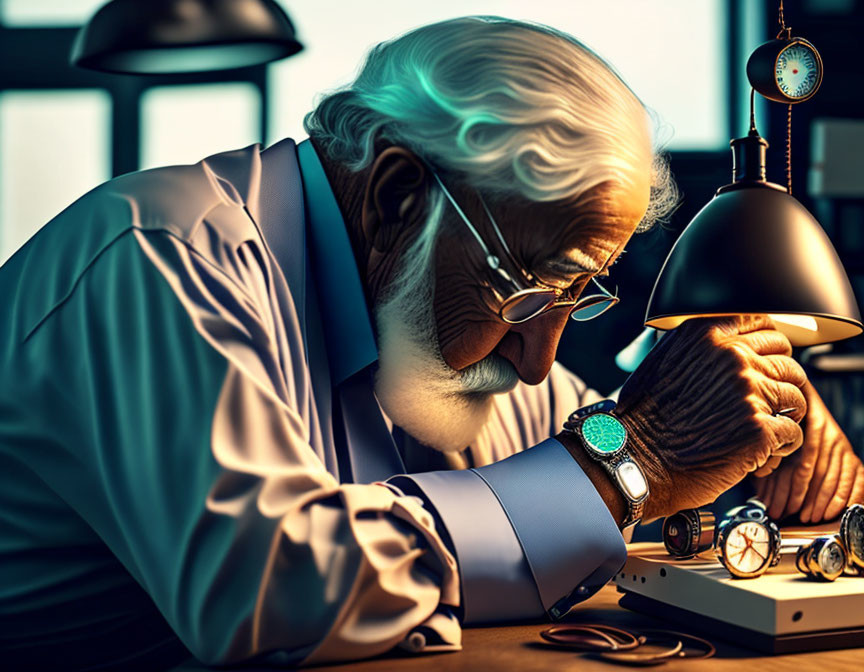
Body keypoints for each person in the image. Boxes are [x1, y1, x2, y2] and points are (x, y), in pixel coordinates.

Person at [1, 15, 861, 671]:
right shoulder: (160, 257)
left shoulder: (436, 301)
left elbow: (581, 438)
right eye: (534, 292)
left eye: (578, 297)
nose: (536, 356)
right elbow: (267, 590)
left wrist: (735, 444)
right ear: (398, 195)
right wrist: (634, 460)